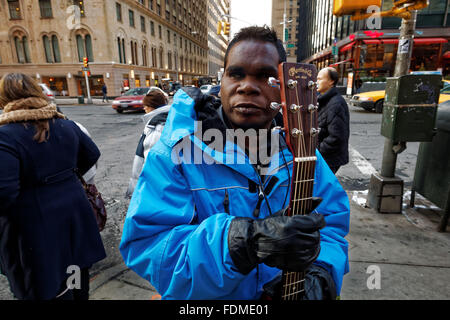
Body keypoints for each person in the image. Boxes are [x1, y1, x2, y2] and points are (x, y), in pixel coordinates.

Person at [120, 26, 349, 300]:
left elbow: (332, 227)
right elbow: (148, 248)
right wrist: (242, 243)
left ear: (284, 90)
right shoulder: (177, 153)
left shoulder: (301, 151)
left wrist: (320, 276)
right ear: (223, 82)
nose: (248, 86)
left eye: (265, 76)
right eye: (236, 74)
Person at [0, 73, 106, 300]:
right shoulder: (66, 124)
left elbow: (4, 193)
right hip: (75, 218)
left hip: (34, 230)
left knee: (44, 289)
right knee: (76, 281)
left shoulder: (5, 136)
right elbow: (91, 156)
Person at [125, 89, 170, 197]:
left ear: (152, 106)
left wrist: (138, 187)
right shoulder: (164, 120)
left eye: (146, 105)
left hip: (155, 184)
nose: (144, 108)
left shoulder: (157, 126)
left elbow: (149, 157)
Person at [316, 67, 350, 174]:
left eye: (320, 79)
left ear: (331, 81)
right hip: (324, 157)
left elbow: (336, 137)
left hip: (329, 159)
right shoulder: (323, 99)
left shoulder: (336, 103)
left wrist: (317, 151)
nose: (316, 82)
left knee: (321, 188)